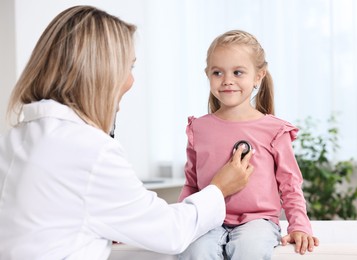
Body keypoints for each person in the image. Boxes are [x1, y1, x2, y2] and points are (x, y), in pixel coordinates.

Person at [0, 7, 255, 260]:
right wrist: (219, 188)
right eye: (129, 67)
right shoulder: (89, 149)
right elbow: (170, 232)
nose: (131, 81)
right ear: (101, 72)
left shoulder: (18, 136)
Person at [178, 30, 319, 260]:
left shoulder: (274, 130)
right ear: (208, 75)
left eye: (238, 72)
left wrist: (299, 226)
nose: (227, 80)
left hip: (258, 221)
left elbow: (290, 185)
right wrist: (181, 221)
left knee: (249, 249)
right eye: (217, 72)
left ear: (258, 76)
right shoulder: (199, 129)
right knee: (195, 251)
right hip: (209, 219)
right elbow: (192, 185)